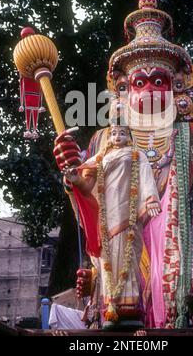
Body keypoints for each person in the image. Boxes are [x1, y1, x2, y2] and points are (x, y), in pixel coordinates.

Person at [54, 0, 193, 329]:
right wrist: (74, 180)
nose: (150, 90)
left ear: (177, 88)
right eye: (140, 82)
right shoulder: (102, 143)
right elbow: (88, 220)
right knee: (118, 287)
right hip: (125, 253)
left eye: (159, 80)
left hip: (187, 255)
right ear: (123, 91)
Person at [63, 123, 161, 329]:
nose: (117, 136)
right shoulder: (99, 158)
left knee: (128, 257)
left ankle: (129, 310)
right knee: (107, 261)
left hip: (128, 214)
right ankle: (111, 309)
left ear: (129, 137)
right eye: (114, 133)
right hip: (107, 216)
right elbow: (86, 185)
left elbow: (146, 178)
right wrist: (73, 179)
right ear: (109, 137)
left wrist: (151, 198)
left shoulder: (137, 155)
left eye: (122, 133)